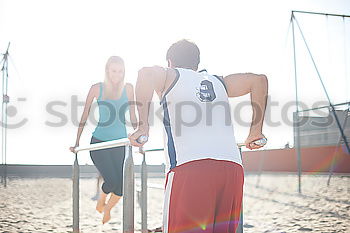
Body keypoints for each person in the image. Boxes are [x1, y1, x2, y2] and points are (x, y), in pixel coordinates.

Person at [129, 39, 268, 233]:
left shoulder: (171, 75)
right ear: (197, 63)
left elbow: (145, 73)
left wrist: (143, 127)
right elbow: (259, 80)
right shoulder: (219, 82)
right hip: (232, 169)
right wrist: (255, 131)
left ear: (170, 61)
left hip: (190, 168)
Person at [69, 56, 137, 224]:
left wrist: (140, 137)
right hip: (99, 142)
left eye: (120, 71)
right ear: (107, 70)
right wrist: (77, 142)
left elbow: (134, 117)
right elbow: (84, 116)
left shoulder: (128, 88)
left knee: (121, 187)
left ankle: (106, 208)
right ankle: (101, 201)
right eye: (114, 71)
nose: (117, 75)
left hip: (120, 143)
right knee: (111, 181)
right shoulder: (96, 88)